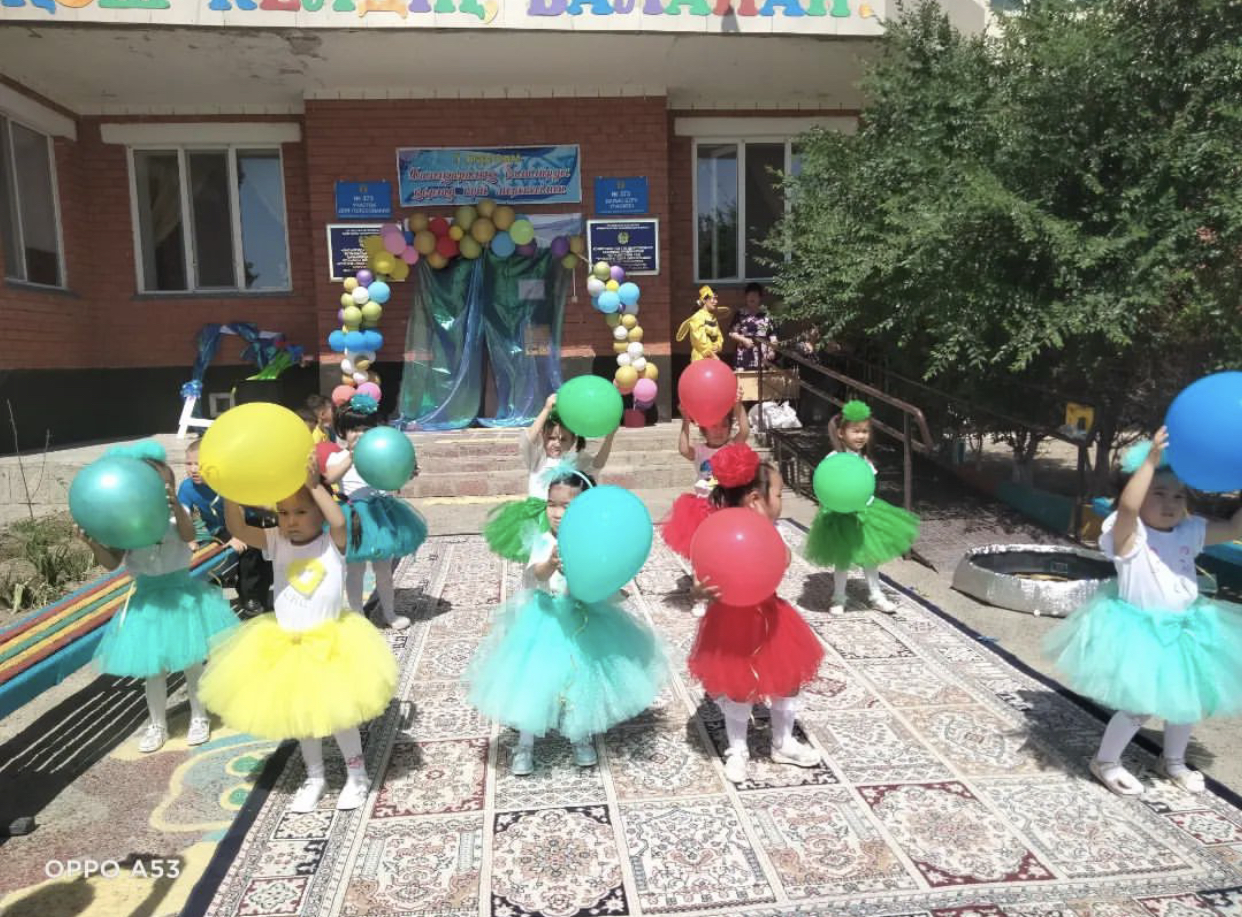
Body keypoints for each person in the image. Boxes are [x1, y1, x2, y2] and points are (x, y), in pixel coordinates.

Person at [1044, 428, 1242, 796]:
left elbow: (1234, 526)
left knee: (1187, 701)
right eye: (1159, 493)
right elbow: (1129, 507)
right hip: (1141, 633)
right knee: (1139, 706)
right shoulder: (1129, 534)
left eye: (1178, 495)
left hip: (1187, 629)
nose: (1170, 503)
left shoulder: (1189, 531)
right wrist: (1151, 459)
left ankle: (1173, 761)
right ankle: (1106, 761)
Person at [200, 464, 397, 812]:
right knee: (303, 716)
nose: (290, 520)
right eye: (284, 513)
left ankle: (357, 776)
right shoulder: (276, 541)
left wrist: (314, 486)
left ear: (318, 512)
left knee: (340, 715)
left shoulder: (331, 542)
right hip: (288, 645)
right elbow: (239, 529)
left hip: (331, 644)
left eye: (301, 512)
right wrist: (230, 495)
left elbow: (338, 521)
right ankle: (315, 777)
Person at [467, 467, 667, 776]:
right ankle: (525, 744)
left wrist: (607, 585)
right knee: (535, 681)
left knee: (582, 678)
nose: (557, 513)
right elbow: (537, 575)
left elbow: (601, 577)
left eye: (567, 506)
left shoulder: (593, 542)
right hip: (545, 619)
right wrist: (551, 563)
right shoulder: (543, 540)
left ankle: (580, 737)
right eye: (552, 504)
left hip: (584, 620)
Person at [81, 440, 238, 753]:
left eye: (165, 485)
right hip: (148, 602)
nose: (158, 491)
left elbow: (189, 534)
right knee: (153, 670)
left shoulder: (176, 516)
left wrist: (175, 505)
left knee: (192, 662)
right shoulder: (127, 523)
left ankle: (199, 716)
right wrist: (93, 543)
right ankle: (157, 724)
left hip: (182, 596)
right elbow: (111, 562)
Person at [684, 443, 824, 784]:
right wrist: (699, 592)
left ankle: (783, 741)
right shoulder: (721, 530)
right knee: (739, 684)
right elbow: (701, 576)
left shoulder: (769, 531)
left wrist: (770, 538)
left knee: (788, 679)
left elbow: (783, 561)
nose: (781, 500)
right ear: (755, 499)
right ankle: (738, 748)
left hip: (770, 615)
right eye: (778, 494)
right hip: (731, 620)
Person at [322, 394, 426, 631]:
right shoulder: (338, 456)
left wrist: (406, 471)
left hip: (381, 514)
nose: (359, 434)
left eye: (365, 429)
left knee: (383, 570)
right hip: (355, 517)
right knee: (355, 570)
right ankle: (358, 617)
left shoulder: (381, 452)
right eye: (353, 429)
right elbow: (330, 478)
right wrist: (352, 456)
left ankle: (389, 613)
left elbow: (392, 478)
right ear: (342, 432)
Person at [805, 400, 919, 615]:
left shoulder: (865, 461)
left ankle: (876, 595)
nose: (861, 436)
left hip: (864, 515)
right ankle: (839, 597)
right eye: (855, 431)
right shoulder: (833, 459)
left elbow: (868, 486)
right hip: (840, 516)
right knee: (842, 559)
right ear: (841, 433)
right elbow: (825, 485)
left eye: (865, 431)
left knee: (870, 558)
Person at [483, 392, 616, 563]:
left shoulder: (575, 461)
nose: (556, 443)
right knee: (538, 558)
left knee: (566, 555)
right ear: (543, 438)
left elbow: (598, 464)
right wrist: (546, 409)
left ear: (573, 440)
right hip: (537, 518)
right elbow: (527, 440)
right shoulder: (538, 459)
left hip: (565, 517)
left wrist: (610, 437)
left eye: (563, 439)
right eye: (551, 438)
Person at [179, 437, 273, 618]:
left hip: (246, 522)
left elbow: (242, 508)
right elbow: (183, 514)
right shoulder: (187, 487)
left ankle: (251, 596)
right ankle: (230, 593)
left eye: (198, 464)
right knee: (224, 559)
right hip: (218, 529)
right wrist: (190, 540)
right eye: (188, 464)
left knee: (252, 554)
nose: (193, 469)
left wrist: (238, 534)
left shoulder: (225, 481)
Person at [661, 390, 750, 558]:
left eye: (724, 426)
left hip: (726, 504)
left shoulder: (730, 446)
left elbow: (744, 431)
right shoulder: (700, 450)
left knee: (727, 540)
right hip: (704, 506)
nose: (719, 431)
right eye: (714, 426)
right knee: (706, 543)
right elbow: (684, 449)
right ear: (703, 429)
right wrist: (685, 419)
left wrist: (738, 405)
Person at [728, 282, 778, 371]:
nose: (752, 298)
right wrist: (744, 340)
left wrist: (772, 350)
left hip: (763, 355)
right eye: (749, 295)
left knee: (761, 378)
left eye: (755, 295)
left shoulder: (766, 315)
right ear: (746, 297)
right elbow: (732, 333)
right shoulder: (740, 314)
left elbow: (773, 336)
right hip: (743, 355)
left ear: (760, 298)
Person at [676, 286, 727, 362]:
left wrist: (718, 345)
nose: (716, 302)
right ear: (704, 300)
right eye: (713, 298)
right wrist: (711, 354)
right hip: (700, 358)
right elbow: (699, 340)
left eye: (716, 299)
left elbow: (719, 335)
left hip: (713, 358)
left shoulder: (713, 317)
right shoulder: (697, 317)